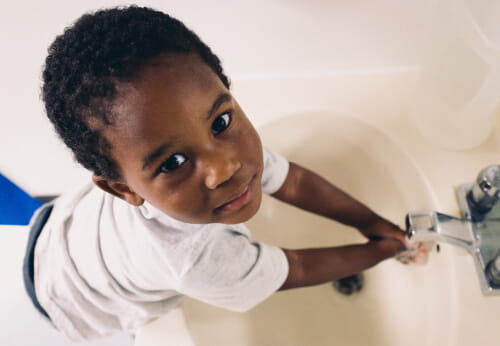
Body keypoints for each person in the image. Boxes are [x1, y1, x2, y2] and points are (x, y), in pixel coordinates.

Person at [29, 5, 425, 342]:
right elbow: (296, 268)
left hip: (59, 225)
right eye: (171, 163)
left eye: (220, 120)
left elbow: (295, 181)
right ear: (123, 189)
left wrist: (370, 221)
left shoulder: (220, 143)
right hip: (69, 299)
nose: (224, 168)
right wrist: (385, 249)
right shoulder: (192, 259)